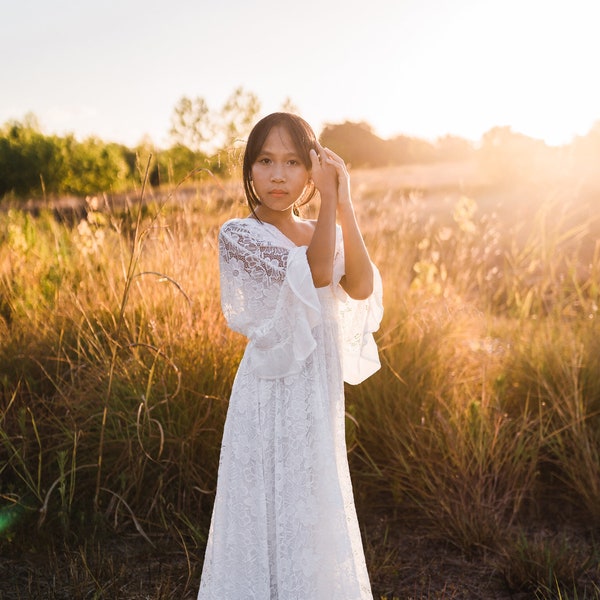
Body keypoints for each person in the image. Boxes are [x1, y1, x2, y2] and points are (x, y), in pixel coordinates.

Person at [197, 112, 383, 600]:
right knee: (265, 505)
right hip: (268, 393)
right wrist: (327, 206)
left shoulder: (322, 226)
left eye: (293, 163)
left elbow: (359, 285)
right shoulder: (241, 235)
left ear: (311, 172)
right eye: (265, 160)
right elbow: (319, 274)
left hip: (315, 390)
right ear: (250, 170)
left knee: (310, 501)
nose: (278, 175)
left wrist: (343, 203)